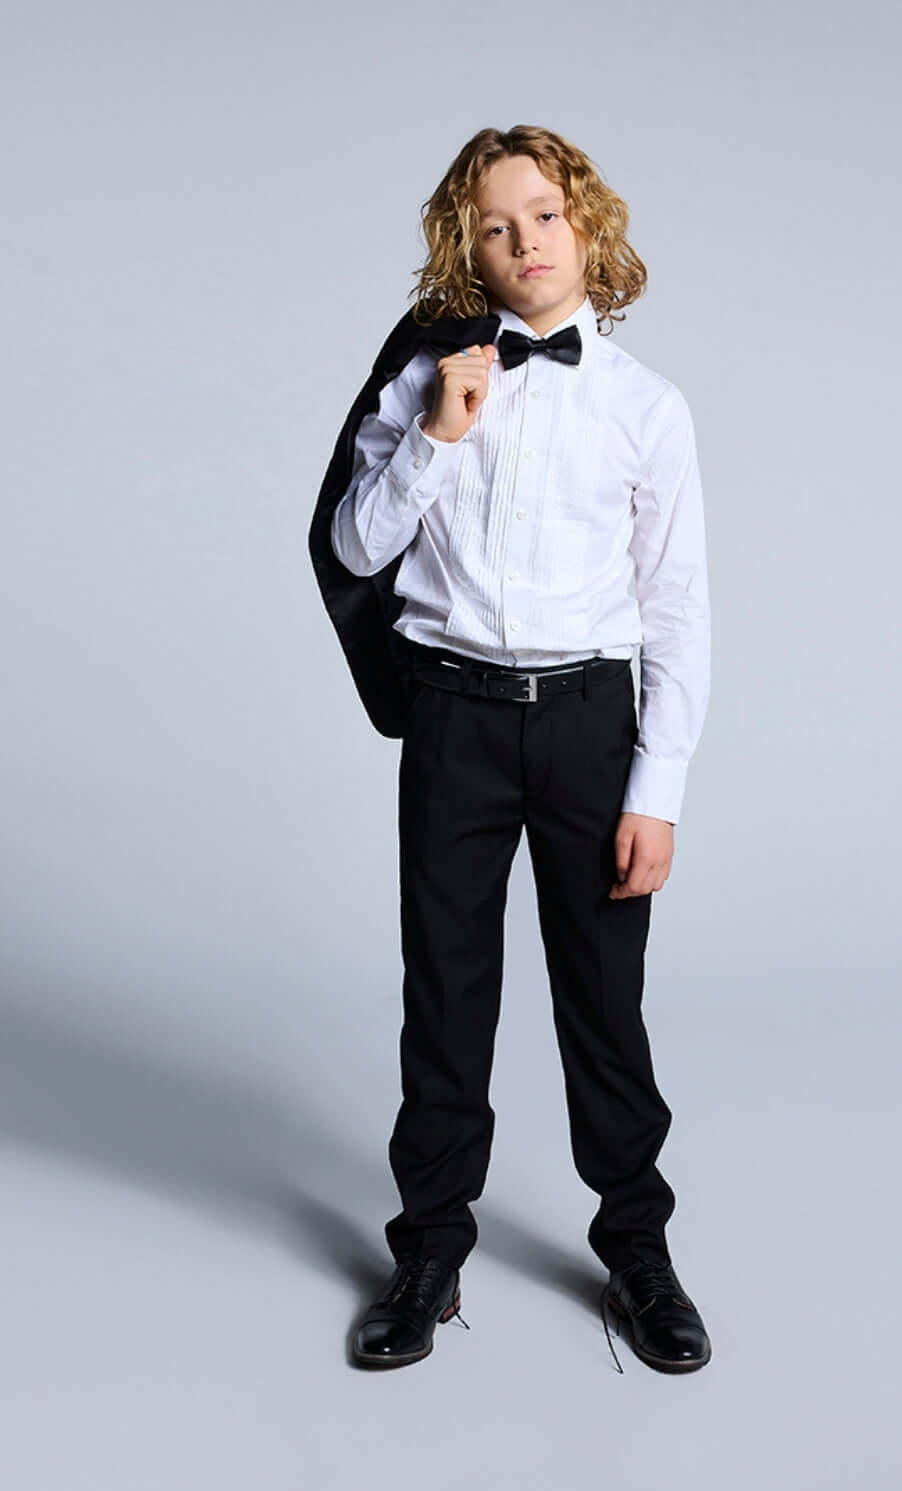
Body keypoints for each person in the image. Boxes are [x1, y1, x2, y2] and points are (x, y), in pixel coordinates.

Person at [320, 124, 711, 1374]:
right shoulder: (430, 378)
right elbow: (354, 549)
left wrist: (659, 788)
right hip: (454, 720)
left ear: (586, 222)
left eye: (542, 214)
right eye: (494, 226)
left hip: (594, 727)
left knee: (605, 1002)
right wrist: (438, 435)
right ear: (466, 251)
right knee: (445, 994)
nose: (523, 242)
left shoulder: (650, 409)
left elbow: (677, 610)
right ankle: (429, 1247)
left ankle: (637, 1251)